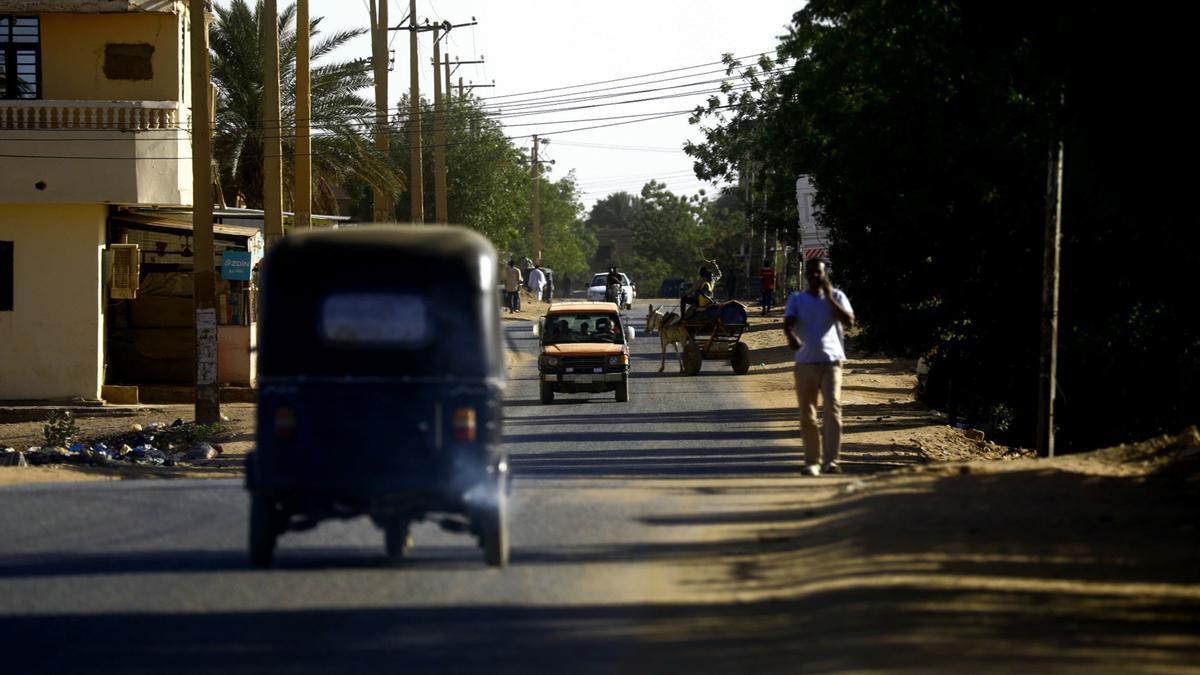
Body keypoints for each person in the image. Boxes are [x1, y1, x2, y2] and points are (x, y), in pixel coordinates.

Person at [783, 258, 854, 476]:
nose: (815, 276)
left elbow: (849, 321)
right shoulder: (797, 298)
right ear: (806, 276)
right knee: (808, 414)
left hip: (832, 362)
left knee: (833, 408)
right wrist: (791, 336)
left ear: (825, 275)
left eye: (819, 272)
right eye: (811, 272)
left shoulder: (838, 297)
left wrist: (830, 297)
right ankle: (812, 461)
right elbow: (789, 322)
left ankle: (831, 461)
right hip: (805, 363)